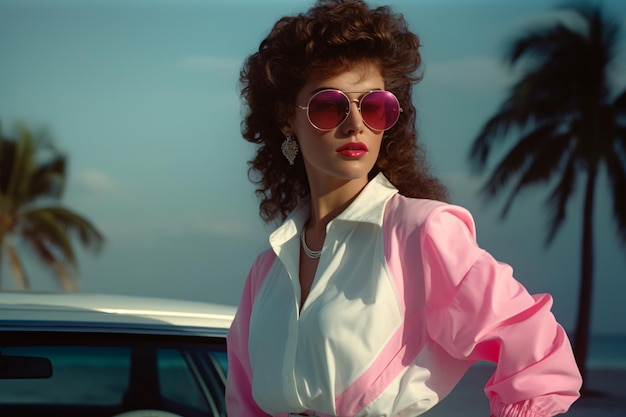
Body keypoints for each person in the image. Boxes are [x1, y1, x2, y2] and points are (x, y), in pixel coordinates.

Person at [226, 1, 582, 416]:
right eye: (329, 105)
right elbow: (242, 403)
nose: (355, 123)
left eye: (373, 106)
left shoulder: (420, 232)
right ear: (288, 118)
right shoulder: (267, 270)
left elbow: (542, 357)